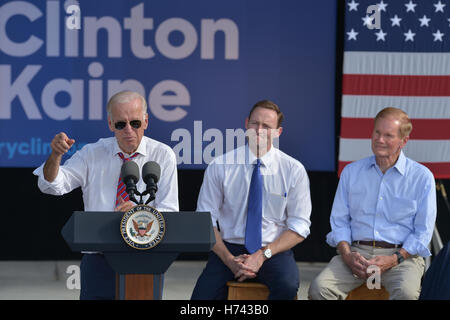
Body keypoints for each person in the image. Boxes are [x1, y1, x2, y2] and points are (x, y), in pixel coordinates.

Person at [33, 91, 179, 299]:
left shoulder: (163, 155)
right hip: (99, 259)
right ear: (110, 124)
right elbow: (52, 185)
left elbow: (170, 210)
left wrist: (141, 213)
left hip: (145, 256)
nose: (128, 130)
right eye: (121, 124)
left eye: (135, 123)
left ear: (146, 121)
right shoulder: (91, 154)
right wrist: (56, 156)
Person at [309, 107, 437, 300]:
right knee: (319, 289)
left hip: (401, 257)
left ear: (404, 141)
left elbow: (423, 232)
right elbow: (339, 223)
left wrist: (394, 259)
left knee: (407, 294)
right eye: (377, 132)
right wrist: (347, 255)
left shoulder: (422, 177)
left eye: (388, 135)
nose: (380, 139)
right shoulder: (351, 172)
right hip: (356, 254)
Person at [191, 100, 312, 300]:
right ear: (246, 123)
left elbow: (299, 226)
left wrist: (262, 255)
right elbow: (205, 220)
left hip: (273, 249)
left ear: (278, 132)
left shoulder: (293, 170)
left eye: (267, 126)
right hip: (228, 248)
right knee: (200, 300)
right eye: (255, 123)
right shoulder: (220, 166)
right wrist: (229, 260)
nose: (259, 130)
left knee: (287, 286)